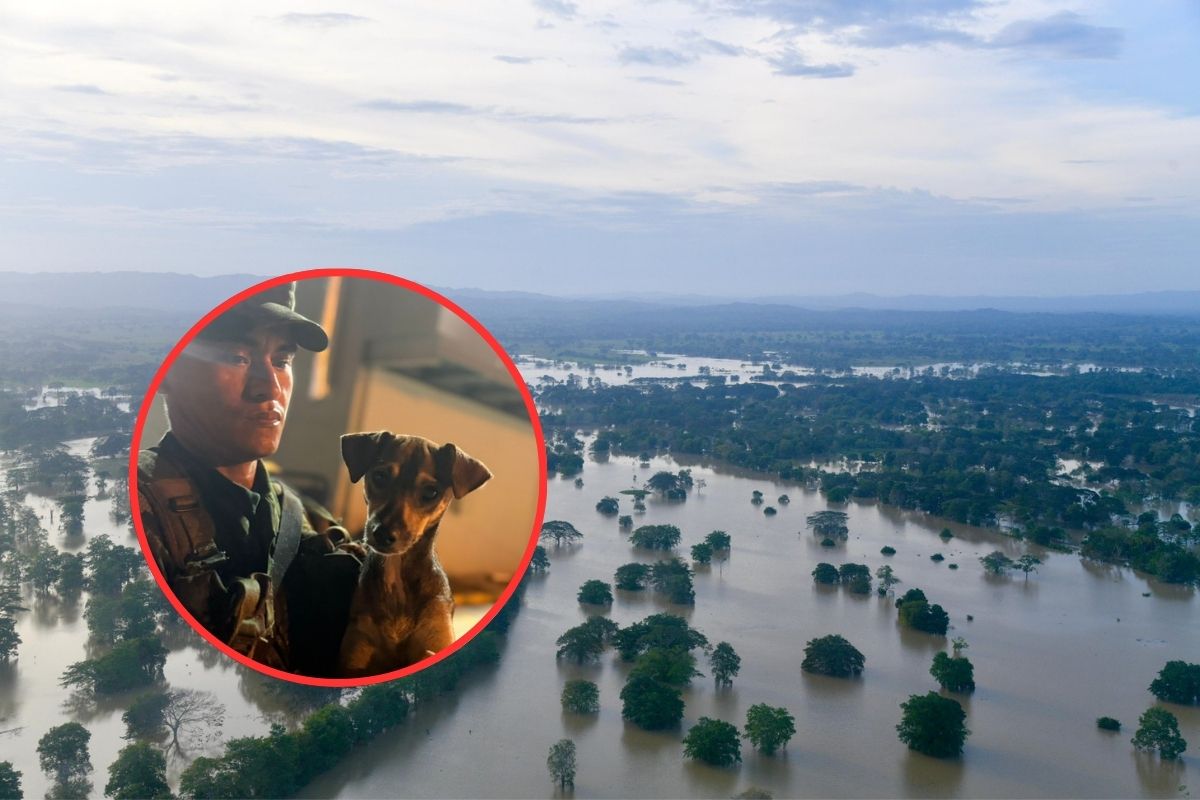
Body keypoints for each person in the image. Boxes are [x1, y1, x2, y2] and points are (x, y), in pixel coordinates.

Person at [137, 282, 358, 675]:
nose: (269, 387)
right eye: (236, 357)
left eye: (282, 361)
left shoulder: (309, 517)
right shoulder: (142, 509)